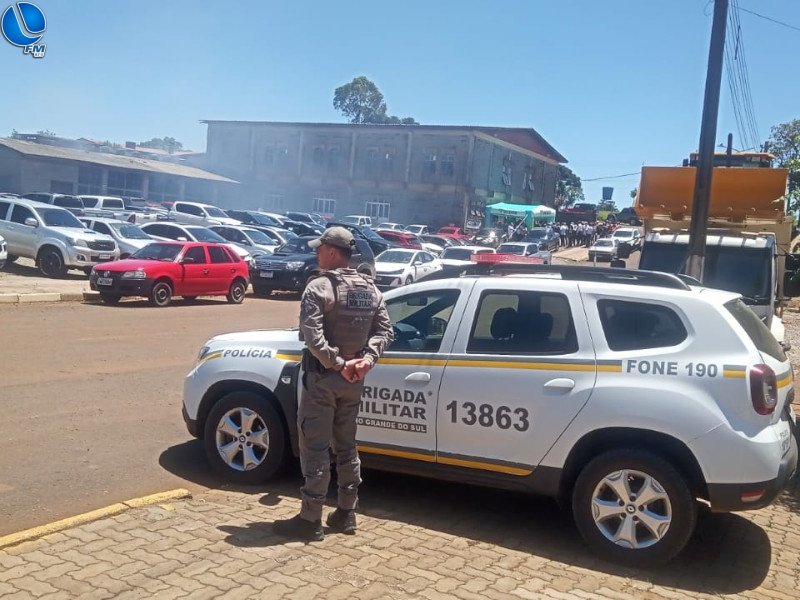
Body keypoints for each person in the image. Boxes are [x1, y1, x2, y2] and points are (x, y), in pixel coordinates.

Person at [273, 227, 394, 541]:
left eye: (320, 248)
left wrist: (338, 364)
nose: (316, 253)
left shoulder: (319, 287)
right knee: (346, 446)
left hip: (323, 379)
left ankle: (310, 519)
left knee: (315, 447)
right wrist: (366, 360)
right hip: (353, 381)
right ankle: (346, 512)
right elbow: (385, 332)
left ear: (331, 252)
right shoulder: (370, 289)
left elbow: (313, 337)